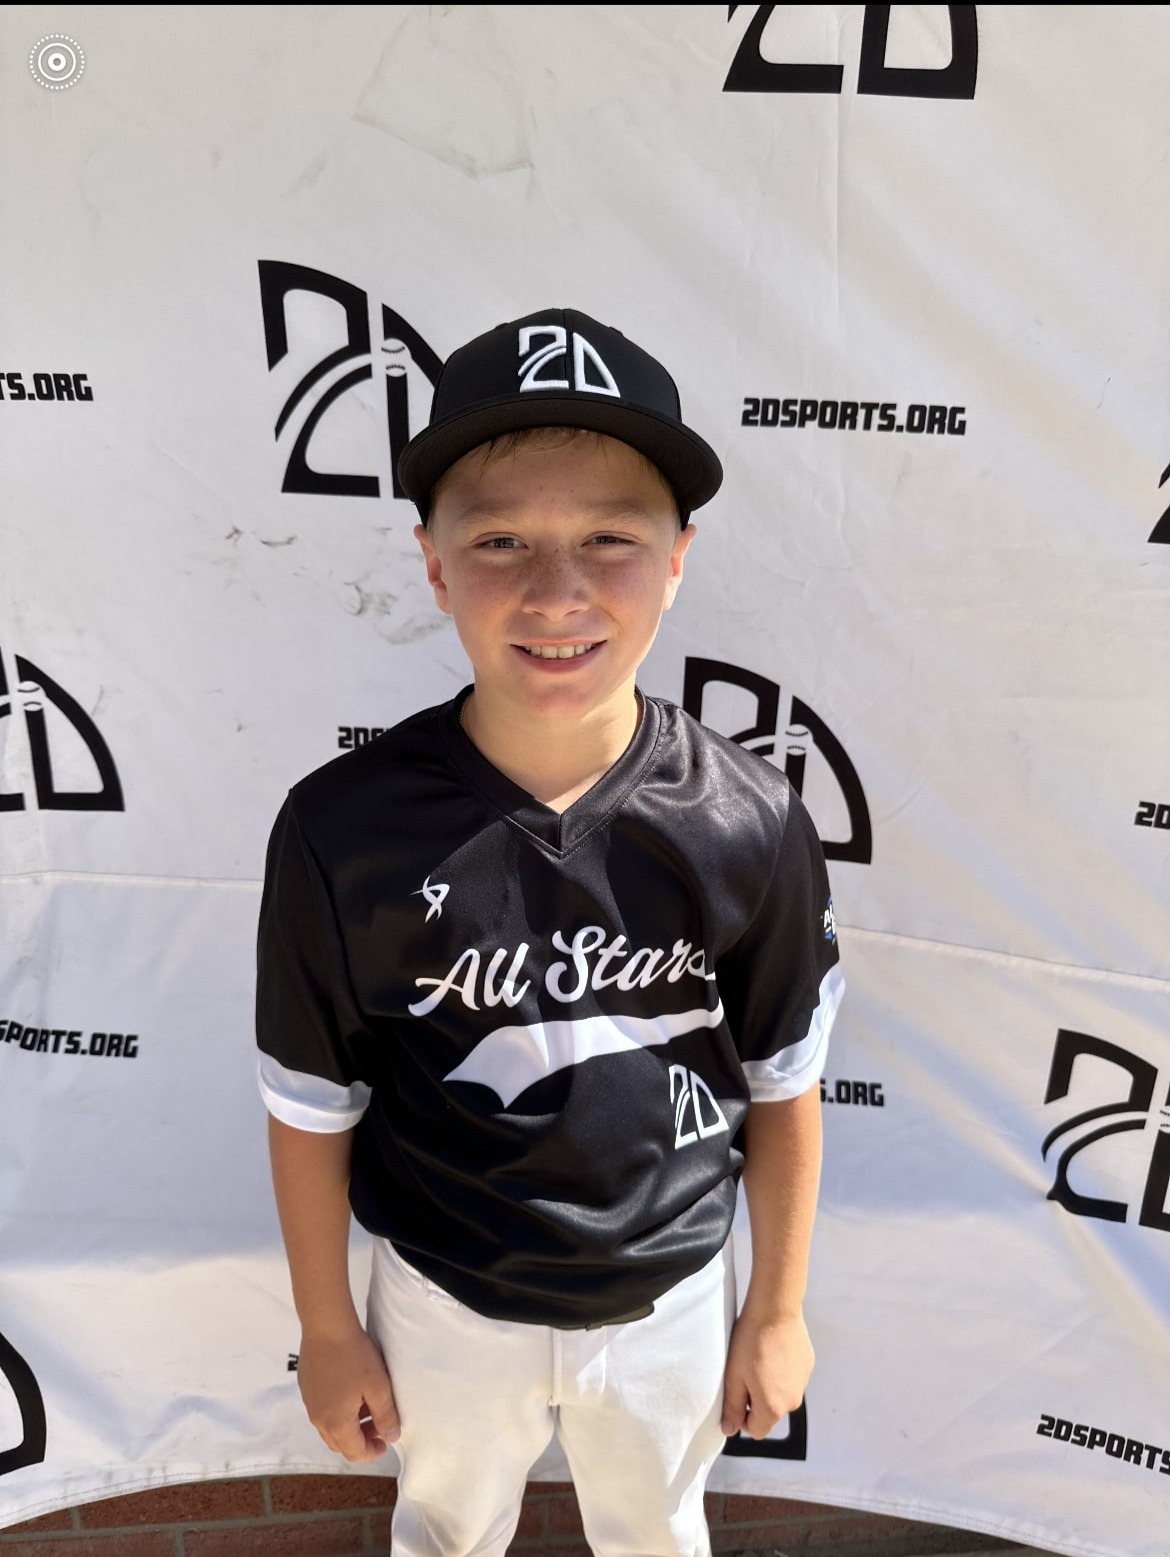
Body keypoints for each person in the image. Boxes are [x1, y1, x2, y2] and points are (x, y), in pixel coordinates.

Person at [256, 307, 844, 1557]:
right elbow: (310, 1106)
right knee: (446, 1534)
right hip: (442, 1299)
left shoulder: (749, 820)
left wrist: (777, 1308)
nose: (557, 590)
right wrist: (328, 1325)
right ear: (433, 564)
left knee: (656, 1537)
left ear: (678, 559)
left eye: (611, 539)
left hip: (672, 1297)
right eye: (501, 540)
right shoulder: (342, 827)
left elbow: (784, 1085)